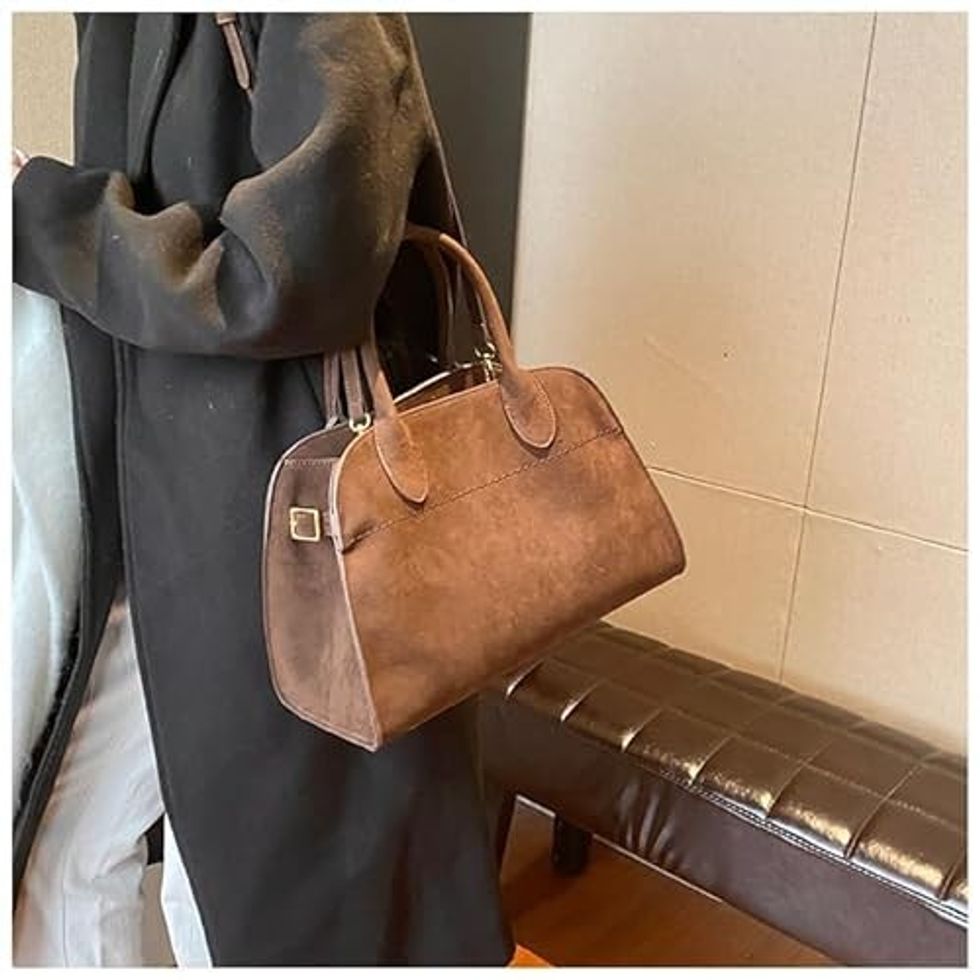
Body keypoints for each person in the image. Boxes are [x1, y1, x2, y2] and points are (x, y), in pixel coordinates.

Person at [12, 12, 514, 966]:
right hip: (168, 506)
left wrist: (44, 213)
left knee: (249, 897)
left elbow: (292, 273)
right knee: (75, 857)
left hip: (287, 515)